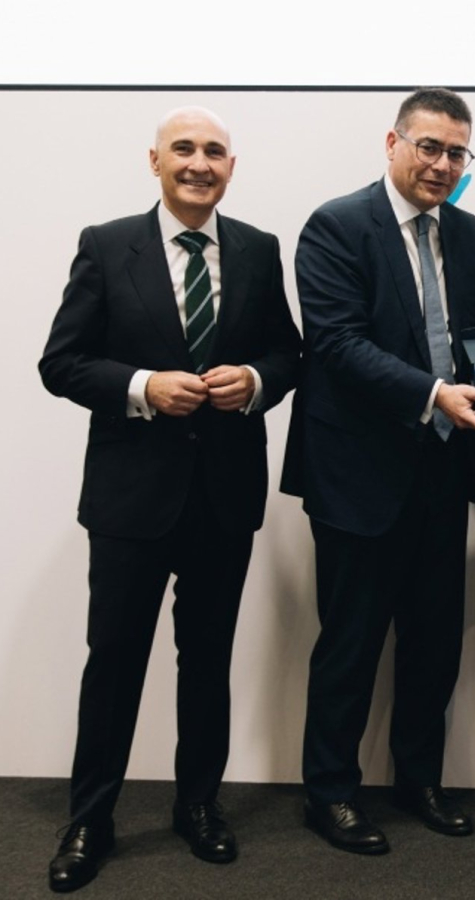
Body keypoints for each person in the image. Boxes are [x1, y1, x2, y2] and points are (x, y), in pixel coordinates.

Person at [38, 107, 302, 892]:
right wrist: (142, 386)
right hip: (130, 501)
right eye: (182, 149)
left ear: (231, 167)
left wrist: (254, 379)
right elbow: (62, 362)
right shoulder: (106, 244)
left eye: (214, 151)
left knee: (208, 661)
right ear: (154, 161)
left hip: (224, 496)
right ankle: (90, 820)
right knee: (114, 663)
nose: (199, 163)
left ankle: (198, 807)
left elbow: (288, 353)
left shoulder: (257, 248)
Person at [280, 87, 475, 855]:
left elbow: (457, 337)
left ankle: (419, 780)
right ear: (393, 142)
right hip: (357, 475)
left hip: (442, 467)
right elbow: (337, 343)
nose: (442, 164)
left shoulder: (465, 231)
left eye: (456, 152)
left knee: (434, 643)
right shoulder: (337, 225)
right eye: (429, 146)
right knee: (351, 644)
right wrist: (435, 394)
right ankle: (330, 793)